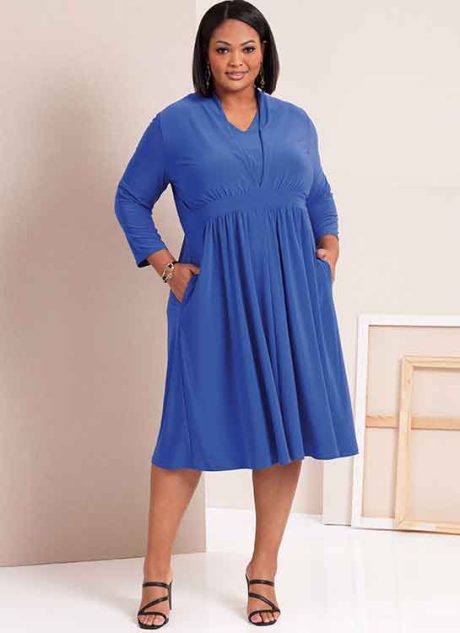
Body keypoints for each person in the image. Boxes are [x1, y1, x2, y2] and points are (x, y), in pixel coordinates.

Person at [114, 1, 359, 628]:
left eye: (248, 48)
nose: (236, 61)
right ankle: (156, 571)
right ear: (205, 54)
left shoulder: (296, 121)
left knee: (283, 429)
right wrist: (166, 266)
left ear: (264, 53)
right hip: (214, 295)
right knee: (188, 430)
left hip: (294, 295)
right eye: (223, 48)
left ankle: (263, 571)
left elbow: (319, 192)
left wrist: (328, 249)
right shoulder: (175, 124)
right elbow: (130, 198)